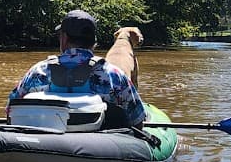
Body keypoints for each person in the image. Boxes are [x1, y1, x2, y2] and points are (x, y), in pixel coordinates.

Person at [9, 10, 147, 128]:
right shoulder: (113, 74)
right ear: (94, 42)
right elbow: (138, 121)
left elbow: (10, 110)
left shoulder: (38, 72)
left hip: (42, 148)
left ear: (64, 39)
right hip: (99, 150)